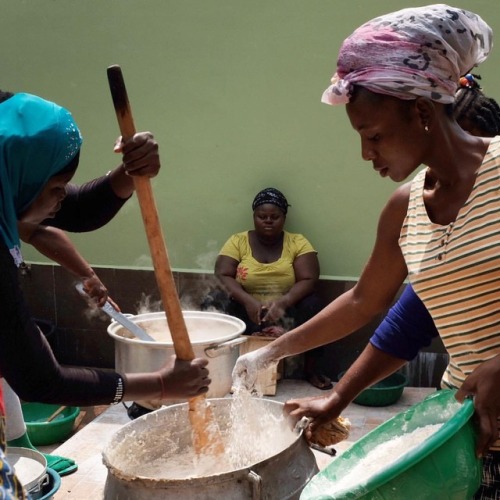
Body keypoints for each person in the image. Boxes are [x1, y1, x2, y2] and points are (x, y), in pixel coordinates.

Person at [232, 5, 499, 498]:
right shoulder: (405, 209)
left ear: (421, 112)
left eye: (373, 135)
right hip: (466, 434)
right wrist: (277, 356)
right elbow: (363, 302)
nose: (365, 153)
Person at [0, 91, 211, 498]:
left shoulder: (6, 188)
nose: (64, 197)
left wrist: (129, 173)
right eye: (57, 186)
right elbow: (41, 379)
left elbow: (75, 208)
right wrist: (160, 385)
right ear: (19, 172)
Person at [211, 187, 331, 389]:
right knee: (213, 300)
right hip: (246, 311)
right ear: (254, 217)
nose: (268, 220)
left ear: (284, 218)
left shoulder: (297, 242)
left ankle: (312, 369)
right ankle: (216, 367)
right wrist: (248, 301)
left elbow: (309, 278)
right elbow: (223, 273)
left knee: (315, 305)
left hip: (285, 313)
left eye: (274, 216)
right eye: (262, 216)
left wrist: (283, 303)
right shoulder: (238, 241)